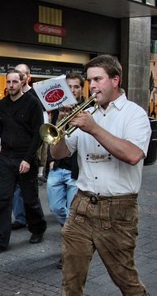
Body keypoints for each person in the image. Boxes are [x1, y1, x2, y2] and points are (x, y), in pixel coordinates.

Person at [50, 55, 150, 294]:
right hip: (82, 205)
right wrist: (60, 129)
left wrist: (94, 129)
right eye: (89, 81)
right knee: (70, 279)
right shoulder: (86, 113)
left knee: (125, 279)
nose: (92, 86)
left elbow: (133, 155)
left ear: (115, 80)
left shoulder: (134, 114)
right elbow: (59, 153)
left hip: (118, 209)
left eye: (98, 79)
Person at [0, 69, 47, 255]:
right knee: (3, 200)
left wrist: (28, 159)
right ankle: (0, 240)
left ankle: (38, 228)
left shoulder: (33, 103)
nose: (11, 85)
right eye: (8, 82)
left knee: (30, 199)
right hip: (6, 157)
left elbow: (38, 134)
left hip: (25, 157)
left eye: (15, 82)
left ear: (22, 82)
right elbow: (0, 128)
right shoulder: (2, 104)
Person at [45, 72, 85, 269]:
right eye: (69, 87)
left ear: (81, 89)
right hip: (58, 167)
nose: (72, 90)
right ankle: (73, 236)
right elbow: (50, 137)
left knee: (72, 215)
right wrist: (51, 160)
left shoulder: (89, 110)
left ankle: (67, 252)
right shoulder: (58, 109)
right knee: (56, 209)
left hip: (76, 172)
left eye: (76, 86)